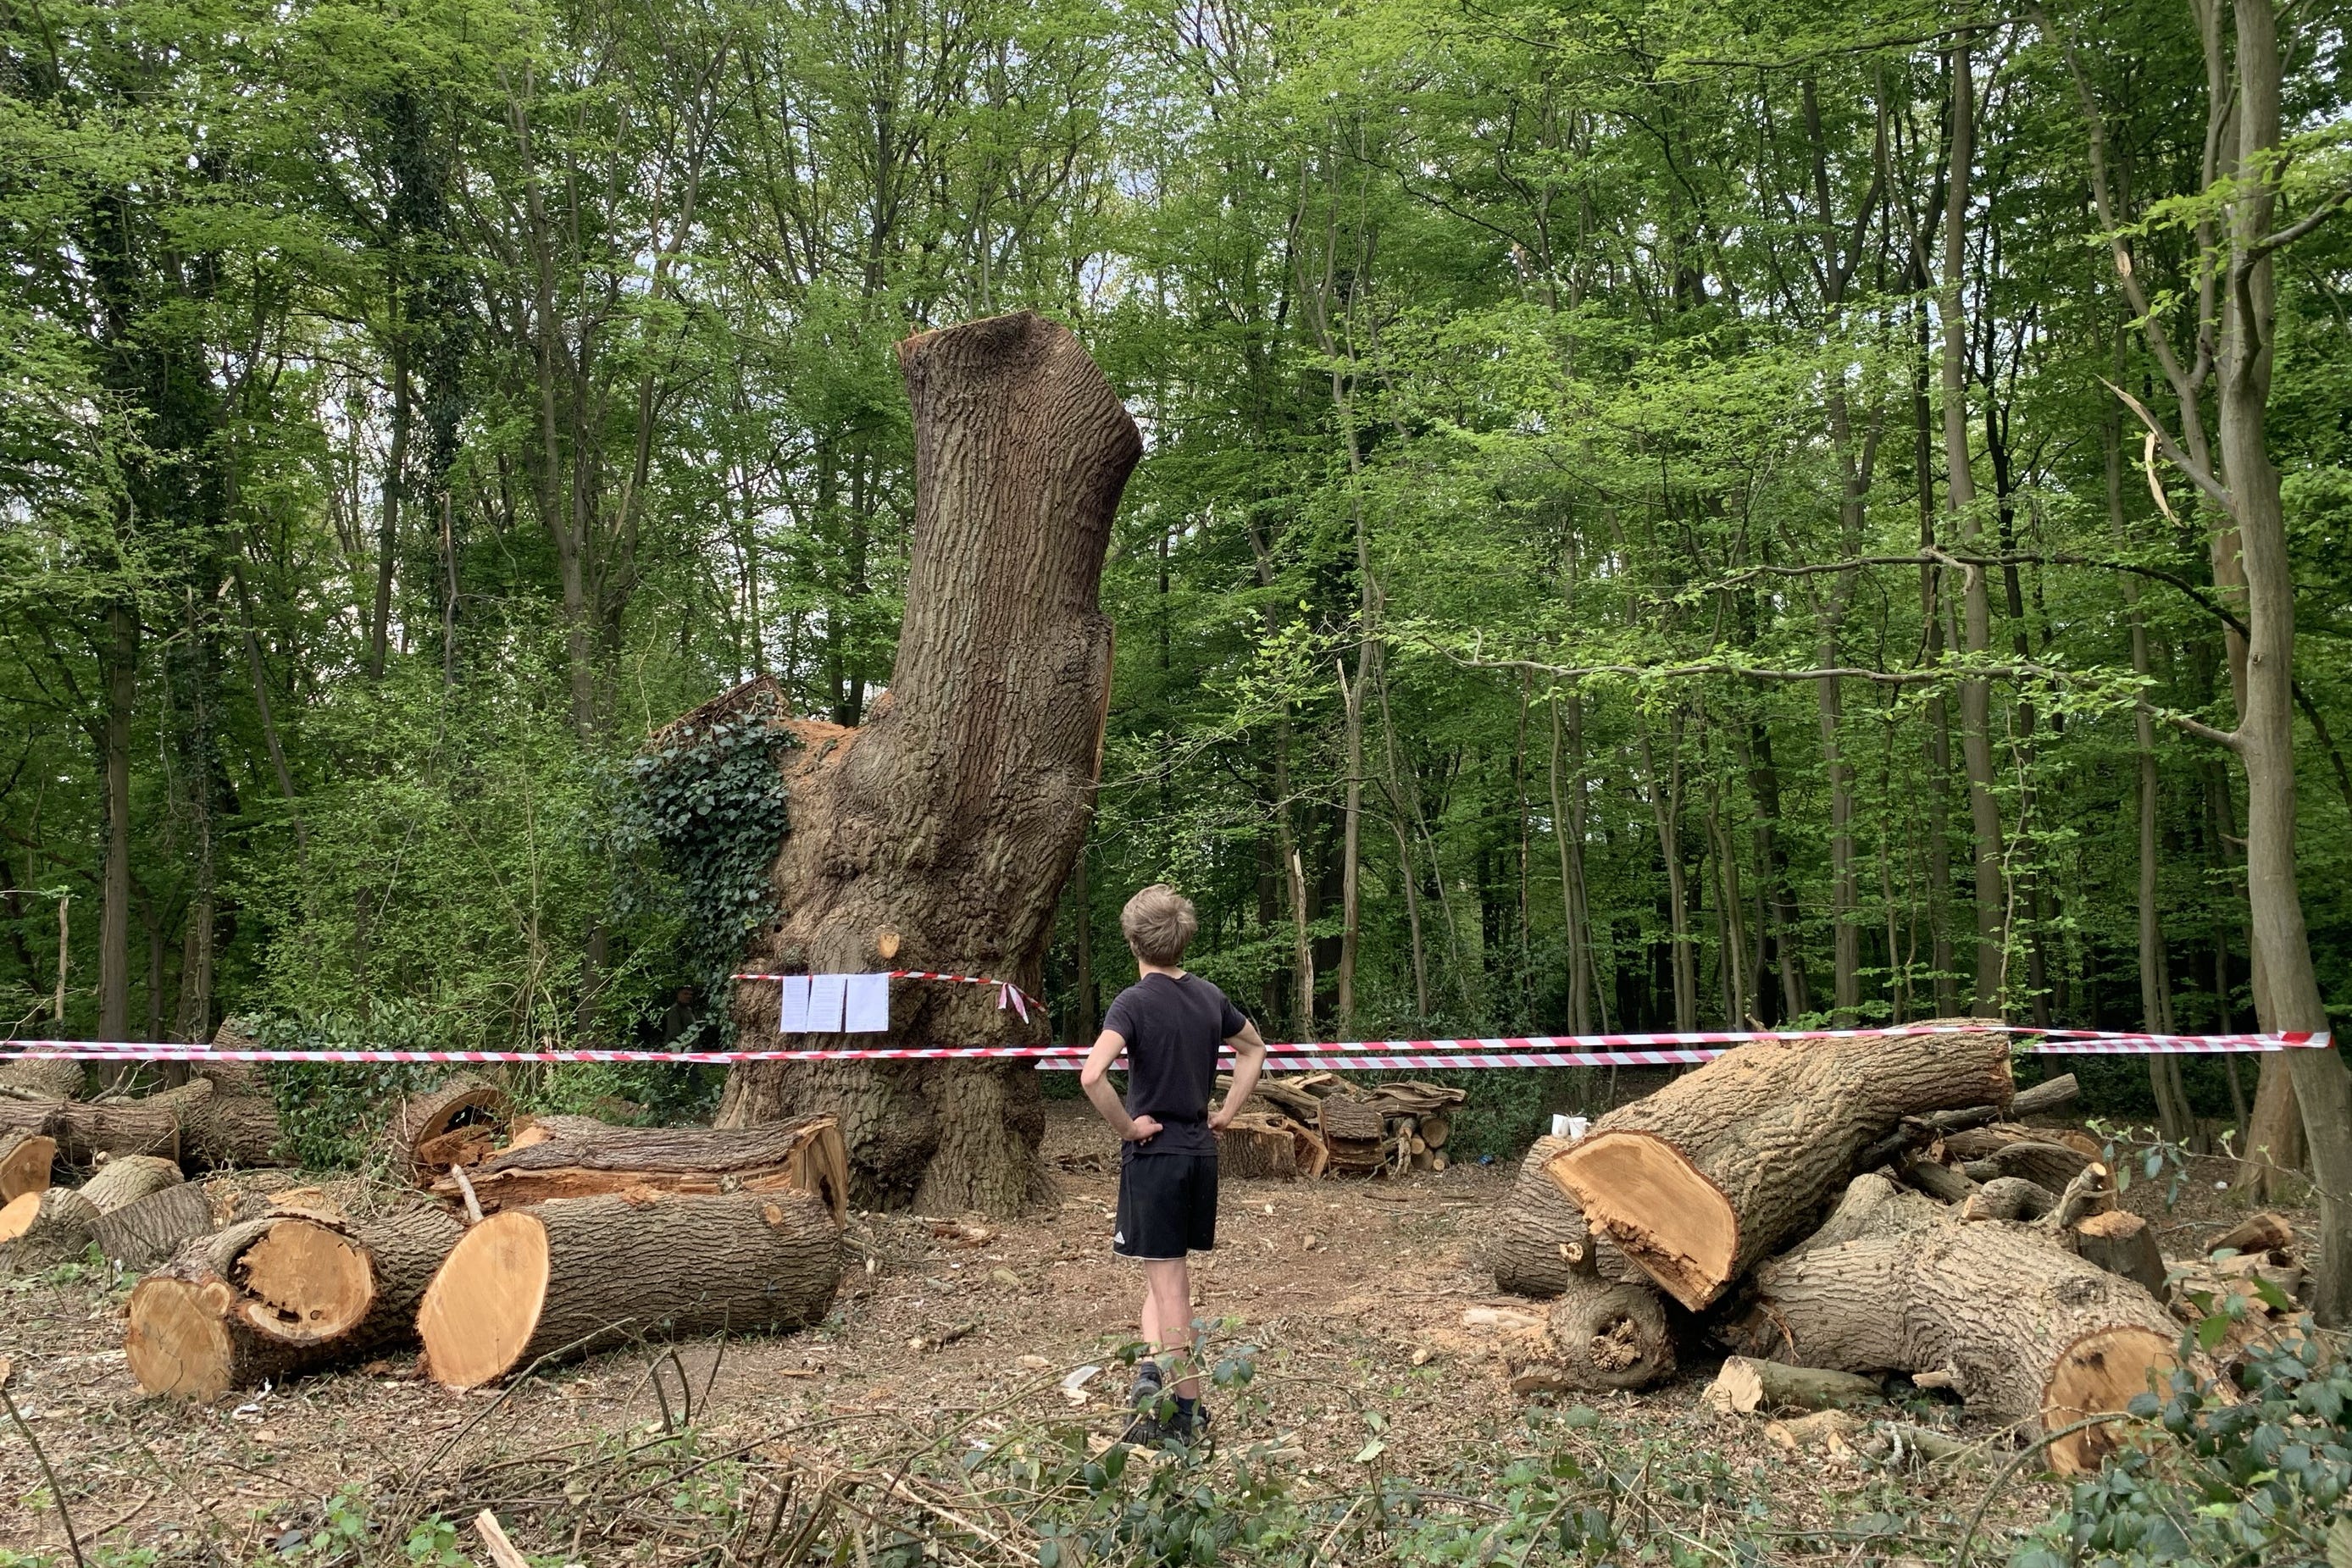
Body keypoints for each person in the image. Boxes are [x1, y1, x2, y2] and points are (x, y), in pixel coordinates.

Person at [1078, 884, 1268, 1446]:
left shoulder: (1132, 1002)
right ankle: (1152, 1373)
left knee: (1172, 1285)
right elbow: (1254, 1048)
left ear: (1133, 939)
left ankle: (1188, 1412)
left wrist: (1128, 1126)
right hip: (1199, 1156)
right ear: (1183, 940)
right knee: (1162, 1271)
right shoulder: (1209, 996)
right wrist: (1227, 1111)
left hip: (1156, 1156)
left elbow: (1091, 1075)